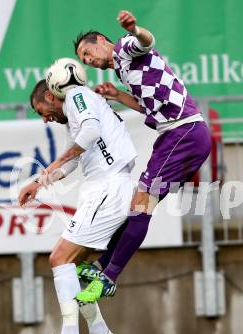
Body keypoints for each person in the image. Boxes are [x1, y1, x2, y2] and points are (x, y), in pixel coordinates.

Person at [74, 10, 212, 303]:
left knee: (140, 204)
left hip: (183, 133)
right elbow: (149, 109)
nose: (89, 61)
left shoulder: (124, 47)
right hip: (177, 135)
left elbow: (146, 41)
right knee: (138, 206)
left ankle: (109, 277)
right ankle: (101, 268)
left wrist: (135, 28)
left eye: (88, 53)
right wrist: (118, 96)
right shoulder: (123, 69)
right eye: (84, 60)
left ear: (101, 41)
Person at [19, 77, 137, 334]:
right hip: (103, 187)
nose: (45, 119)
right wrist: (39, 182)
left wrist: (47, 171)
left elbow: (91, 132)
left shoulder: (76, 96)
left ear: (49, 95)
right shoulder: (75, 115)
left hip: (108, 187)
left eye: (41, 110)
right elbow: (72, 160)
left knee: (60, 258)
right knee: (76, 268)